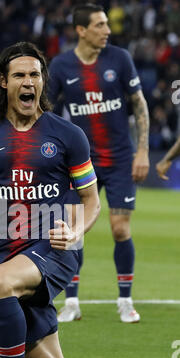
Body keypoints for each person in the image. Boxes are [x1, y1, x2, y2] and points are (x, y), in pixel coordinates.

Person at [0, 41, 149, 358]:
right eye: (19, 75)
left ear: (43, 82)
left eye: (35, 75)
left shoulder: (67, 135)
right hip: (9, 253)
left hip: (56, 250)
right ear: (3, 82)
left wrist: (77, 231)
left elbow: (92, 200)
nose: (28, 82)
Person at [48, 3, 150, 323]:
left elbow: (139, 104)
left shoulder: (120, 59)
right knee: (75, 231)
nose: (107, 30)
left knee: (120, 229)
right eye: (100, 25)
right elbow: (48, 113)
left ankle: (124, 300)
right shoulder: (62, 66)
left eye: (107, 24)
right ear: (81, 30)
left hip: (120, 158)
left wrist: (143, 151)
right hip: (81, 162)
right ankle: (73, 303)